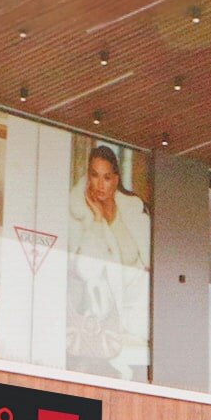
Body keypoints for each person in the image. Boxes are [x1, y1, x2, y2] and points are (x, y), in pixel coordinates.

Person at [67, 142, 152, 377]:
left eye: (106, 177)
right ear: (88, 178)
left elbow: (149, 259)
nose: (100, 184)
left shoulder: (133, 209)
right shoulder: (80, 213)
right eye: (94, 176)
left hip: (141, 296)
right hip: (107, 303)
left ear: (116, 179)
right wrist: (96, 218)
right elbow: (86, 269)